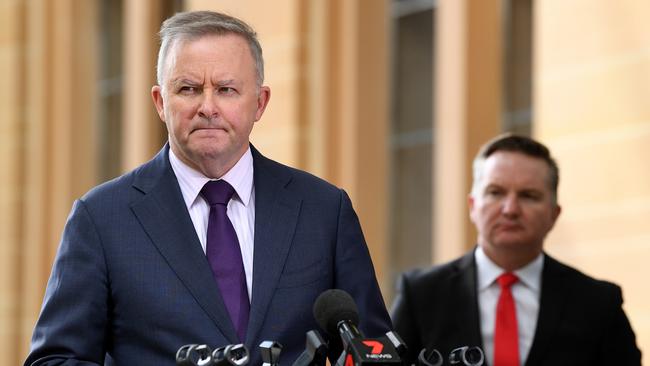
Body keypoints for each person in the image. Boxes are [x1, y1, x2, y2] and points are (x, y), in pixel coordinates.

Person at [25, 11, 391, 366]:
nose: (208, 107)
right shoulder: (102, 218)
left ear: (260, 102)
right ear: (160, 102)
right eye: (189, 88)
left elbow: (372, 351)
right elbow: (55, 359)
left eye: (227, 89)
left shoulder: (324, 211)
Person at [391, 134, 642, 366]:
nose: (510, 209)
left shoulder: (598, 304)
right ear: (472, 206)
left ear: (554, 215)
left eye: (529, 195)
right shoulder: (422, 295)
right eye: (495, 192)